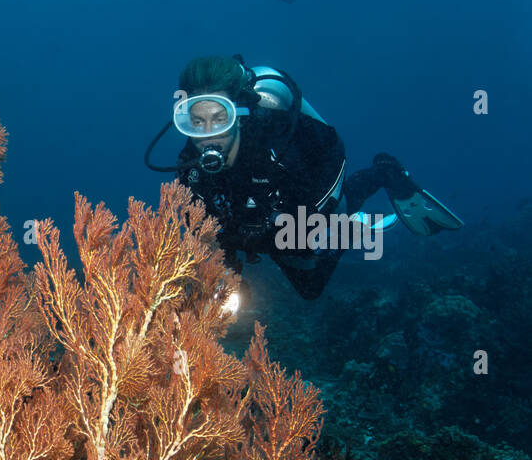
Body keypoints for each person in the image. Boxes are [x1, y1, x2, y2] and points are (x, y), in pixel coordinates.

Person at [145, 54, 463, 300]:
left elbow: (331, 151)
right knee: (301, 281)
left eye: (219, 119)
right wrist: (226, 269)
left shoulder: (276, 139)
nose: (207, 135)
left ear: (238, 115)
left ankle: (384, 173)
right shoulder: (191, 165)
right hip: (261, 218)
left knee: (310, 266)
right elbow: (201, 225)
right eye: (195, 122)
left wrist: (299, 223)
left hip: (310, 186)